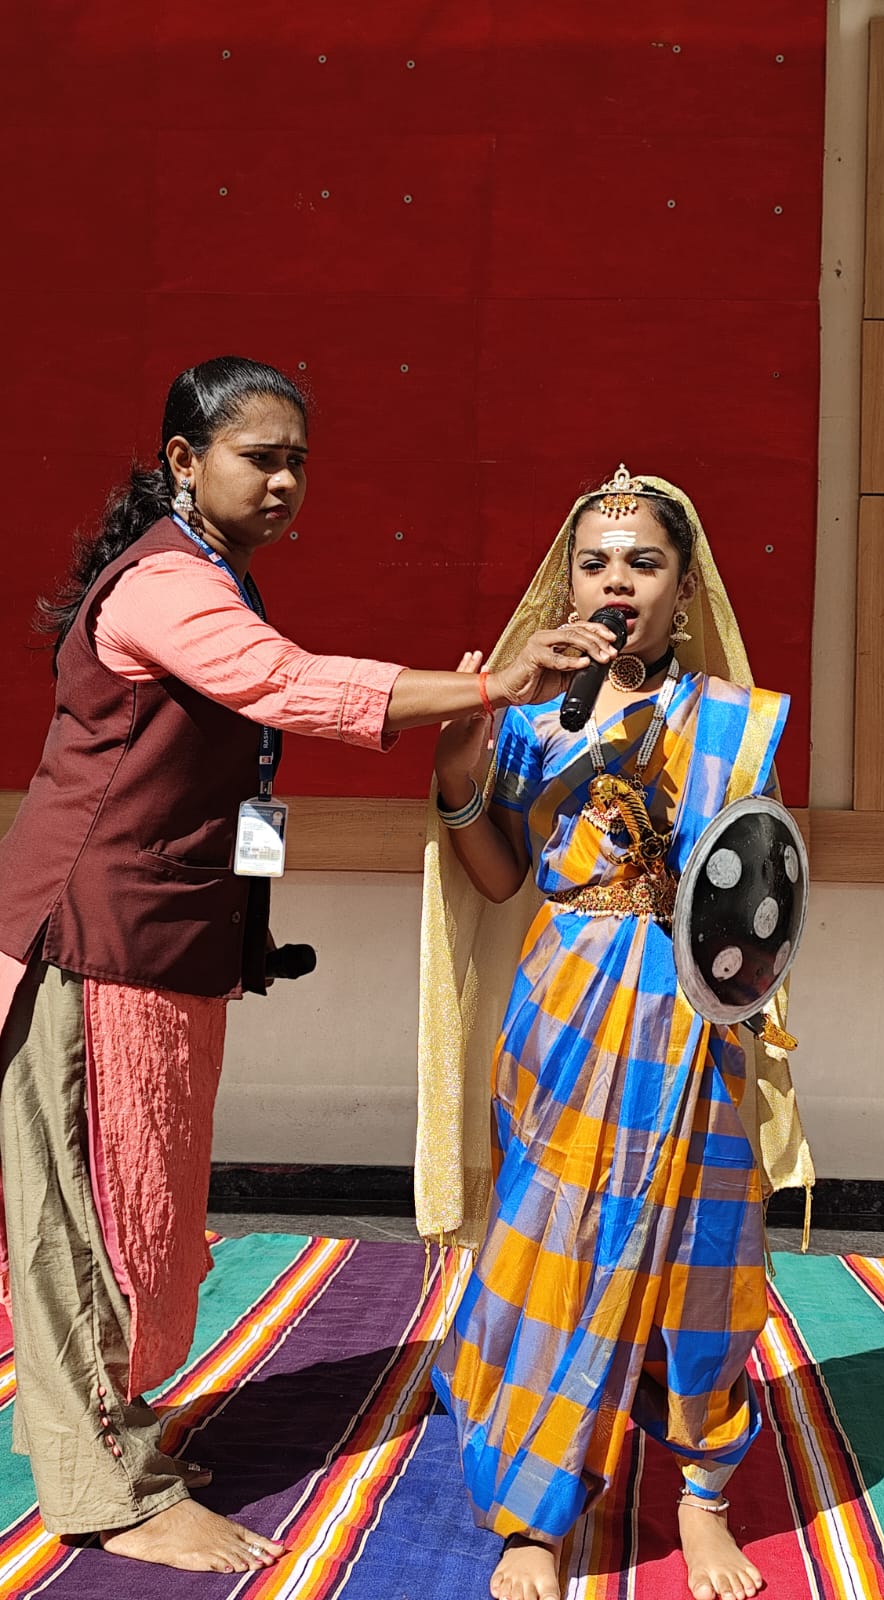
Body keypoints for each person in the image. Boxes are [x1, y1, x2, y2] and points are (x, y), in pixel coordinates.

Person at [0, 357, 617, 1574]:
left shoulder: (211, 575)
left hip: (157, 947)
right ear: (183, 461)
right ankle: (106, 1493)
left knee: (140, 1210)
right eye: (257, 457)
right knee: (83, 1224)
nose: (285, 481)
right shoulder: (163, 587)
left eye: (297, 461)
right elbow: (288, 684)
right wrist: (496, 683)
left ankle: (119, 1434)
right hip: (86, 946)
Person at [418, 468, 813, 1600]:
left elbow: (759, 891)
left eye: (642, 562)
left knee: (703, 1257)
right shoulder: (532, 713)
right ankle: (532, 1516)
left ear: (684, 594)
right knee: (554, 1235)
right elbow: (496, 875)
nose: (615, 582)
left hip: (693, 1022)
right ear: (567, 582)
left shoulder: (736, 724)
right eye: (595, 562)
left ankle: (701, 1498)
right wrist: (458, 762)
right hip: (569, 1010)